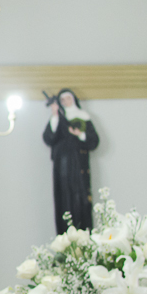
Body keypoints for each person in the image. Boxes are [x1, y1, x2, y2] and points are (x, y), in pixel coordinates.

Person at [42, 88, 100, 234]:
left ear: (73, 100)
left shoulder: (83, 116)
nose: (66, 102)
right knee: (64, 201)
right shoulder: (58, 118)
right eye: (63, 100)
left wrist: (80, 134)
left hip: (79, 166)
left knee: (81, 201)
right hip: (62, 167)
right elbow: (48, 138)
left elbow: (93, 141)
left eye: (68, 99)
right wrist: (55, 114)